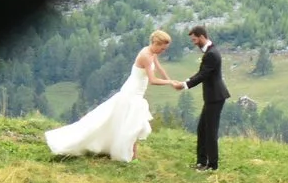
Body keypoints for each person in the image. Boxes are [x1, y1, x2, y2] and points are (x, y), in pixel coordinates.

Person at [44, 28, 184, 163]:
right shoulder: (146, 56)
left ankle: (131, 153)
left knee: (129, 123)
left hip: (136, 93)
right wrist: (170, 83)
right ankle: (131, 155)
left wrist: (170, 79)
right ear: (155, 43)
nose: (163, 51)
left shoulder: (152, 53)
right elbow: (153, 80)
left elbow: (159, 67)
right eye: (162, 48)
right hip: (131, 94)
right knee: (132, 124)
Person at [183, 24, 228, 172]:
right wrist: (187, 81)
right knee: (202, 129)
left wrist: (185, 85)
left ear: (202, 37)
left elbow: (203, 75)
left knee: (210, 131)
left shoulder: (211, 54)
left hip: (215, 97)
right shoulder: (211, 50)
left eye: (195, 39)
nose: (194, 43)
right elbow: (202, 72)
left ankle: (212, 165)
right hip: (212, 97)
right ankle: (202, 162)